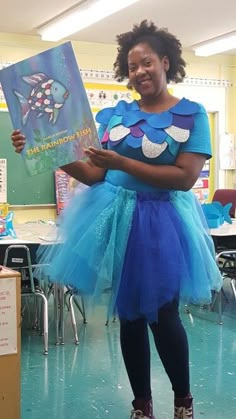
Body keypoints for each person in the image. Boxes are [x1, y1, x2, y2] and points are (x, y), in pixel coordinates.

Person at [11, 20, 222, 419]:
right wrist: (39, 146)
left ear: (165, 61)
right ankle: (141, 405)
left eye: (146, 63)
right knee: (128, 314)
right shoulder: (115, 114)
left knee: (163, 314)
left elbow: (185, 178)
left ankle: (183, 402)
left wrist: (123, 161)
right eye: (132, 66)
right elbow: (94, 174)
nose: (139, 71)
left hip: (163, 222)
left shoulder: (192, 114)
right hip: (116, 216)